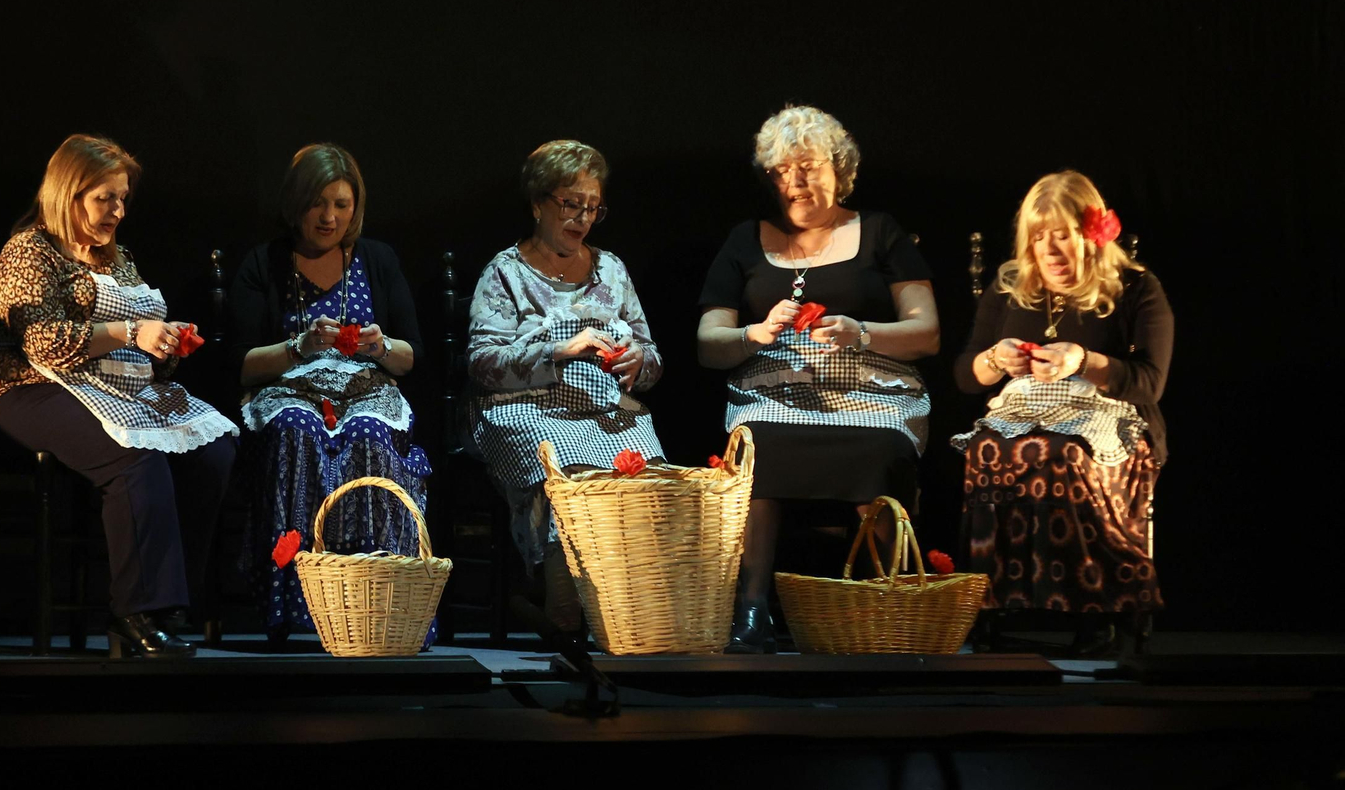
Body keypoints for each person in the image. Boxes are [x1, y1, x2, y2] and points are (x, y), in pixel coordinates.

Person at [0, 134, 238, 659]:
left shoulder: (118, 259)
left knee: (212, 453)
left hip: (105, 387)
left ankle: (171, 606)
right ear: (69, 194)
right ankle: (132, 615)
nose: (117, 210)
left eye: (122, 199)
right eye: (104, 198)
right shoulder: (30, 251)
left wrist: (166, 342)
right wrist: (127, 332)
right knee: (133, 455)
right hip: (26, 388)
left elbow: (141, 336)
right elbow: (41, 342)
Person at [697, 106, 940, 653]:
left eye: (807, 166)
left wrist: (862, 332)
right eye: (782, 171)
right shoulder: (745, 240)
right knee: (758, 448)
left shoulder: (879, 232)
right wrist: (752, 335)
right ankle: (751, 612)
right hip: (774, 396)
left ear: (840, 168)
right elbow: (707, 344)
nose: (796, 182)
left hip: (871, 396)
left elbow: (927, 333)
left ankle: (888, 607)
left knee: (877, 450)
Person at [952, 170, 1172, 645]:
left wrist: (1084, 361)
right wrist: (996, 360)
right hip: (1024, 416)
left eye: (1063, 236)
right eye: (1038, 237)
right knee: (986, 448)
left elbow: (1150, 384)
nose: (1049, 251)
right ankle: (991, 604)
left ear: (1092, 235)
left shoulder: (1135, 288)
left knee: (1064, 454)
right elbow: (965, 375)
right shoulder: (1010, 286)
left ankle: (1096, 608)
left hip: (1115, 424)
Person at [230, 143, 430, 643]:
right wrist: (298, 346)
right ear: (297, 202)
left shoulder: (377, 260)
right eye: (319, 203)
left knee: (368, 434)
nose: (329, 216)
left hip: (365, 390)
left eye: (342, 205)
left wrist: (380, 345)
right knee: (297, 430)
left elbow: (413, 356)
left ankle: (375, 595)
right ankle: (293, 601)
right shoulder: (265, 263)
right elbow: (240, 362)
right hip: (290, 391)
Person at [467, 139, 665, 633]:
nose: (582, 218)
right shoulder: (505, 273)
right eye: (569, 205)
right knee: (570, 479)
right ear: (538, 203)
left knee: (646, 476)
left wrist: (639, 361)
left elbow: (653, 357)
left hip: (603, 410)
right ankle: (566, 613)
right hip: (523, 407)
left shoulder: (612, 270)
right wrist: (558, 349)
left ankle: (630, 614)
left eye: (592, 208)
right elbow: (482, 363)